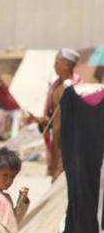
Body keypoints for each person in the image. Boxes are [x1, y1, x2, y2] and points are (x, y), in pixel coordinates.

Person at [23, 48, 81, 181]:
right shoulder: (55, 87)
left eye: (57, 63)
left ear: (67, 65)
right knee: (56, 180)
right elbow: (52, 119)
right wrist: (38, 120)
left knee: (64, 181)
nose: (54, 66)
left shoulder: (79, 88)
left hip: (71, 146)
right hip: (56, 146)